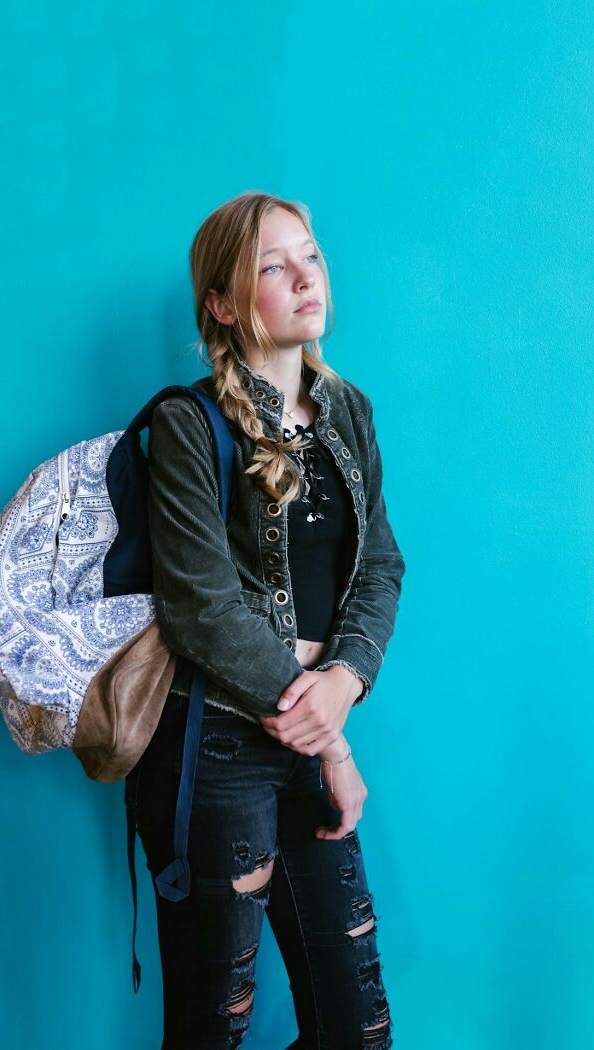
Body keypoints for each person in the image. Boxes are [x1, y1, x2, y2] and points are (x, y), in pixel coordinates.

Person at [125, 191, 406, 1049]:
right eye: (271, 268)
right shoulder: (188, 423)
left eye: (309, 257)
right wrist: (331, 736)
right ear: (221, 302)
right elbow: (201, 609)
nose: (302, 278)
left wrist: (347, 677)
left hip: (312, 733)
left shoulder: (347, 411)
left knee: (355, 1029)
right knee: (215, 1027)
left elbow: (381, 566)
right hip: (215, 752)